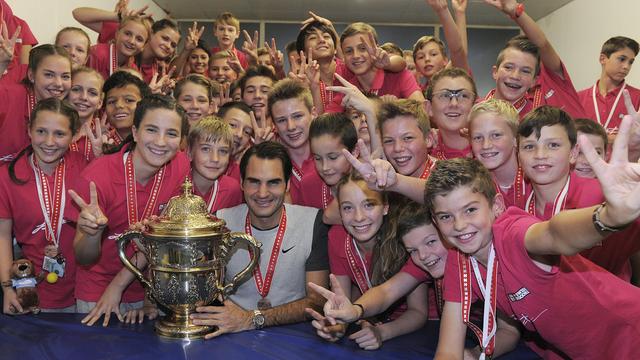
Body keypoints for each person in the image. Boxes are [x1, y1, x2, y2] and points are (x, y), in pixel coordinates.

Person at [430, 119, 640, 358]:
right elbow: (448, 349)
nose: (459, 225)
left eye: (470, 210)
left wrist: (609, 217)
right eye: (446, 216)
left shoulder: (511, 231)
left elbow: (554, 233)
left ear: (496, 207)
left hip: (632, 333)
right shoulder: (459, 261)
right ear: (436, 222)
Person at [68, 95, 190, 325]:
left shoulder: (180, 166)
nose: (161, 142)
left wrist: (132, 290)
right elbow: (84, 258)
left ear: (181, 141)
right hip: (99, 291)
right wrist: (92, 234)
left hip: (151, 291)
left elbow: (161, 240)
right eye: (152, 130)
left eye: (171, 133)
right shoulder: (96, 177)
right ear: (134, 132)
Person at [190, 141, 329, 338]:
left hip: (294, 335)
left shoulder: (313, 222)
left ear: (288, 184)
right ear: (242, 183)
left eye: (273, 182)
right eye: (254, 181)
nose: (262, 193)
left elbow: (317, 301)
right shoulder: (218, 222)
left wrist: (252, 319)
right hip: (231, 333)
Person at [318, 174, 429, 350]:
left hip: (411, 329)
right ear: (339, 211)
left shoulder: (405, 239)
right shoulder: (337, 237)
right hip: (366, 321)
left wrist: (382, 332)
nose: (359, 217)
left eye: (369, 205)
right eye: (348, 208)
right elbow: (344, 301)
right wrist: (338, 324)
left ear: (385, 207)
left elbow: (418, 312)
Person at [0, 98, 86, 314]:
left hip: (84, 292)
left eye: (59, 134)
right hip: (32, 294)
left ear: (73, 135)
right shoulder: (6, 177)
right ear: (29, 130)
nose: (49, 142)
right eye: (41, 131)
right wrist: (7, 288)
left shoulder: (84, 167)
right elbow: (2, 236)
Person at [482, 0, 585, 119]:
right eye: (509, 67)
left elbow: (543, 45)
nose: (515, 76)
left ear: (534, 80)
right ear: (495, 72)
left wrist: (516, 11)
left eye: (525, 71)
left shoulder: (540, 117)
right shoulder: (474, 109)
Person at [325, 22, 423, 113]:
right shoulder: (349, 90)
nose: (356, 55)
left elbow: (423, 112)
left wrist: (394, 106)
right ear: (344, 57)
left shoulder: (400, 76)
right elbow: (324, 124)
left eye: (363, 48)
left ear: (377, 48)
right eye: (349, 51)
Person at [0, 45, 72, 161]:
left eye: (65, 76)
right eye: (49, 75)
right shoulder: (9, 96)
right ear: (31, 76)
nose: (59, 83)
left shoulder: (68, 111)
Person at [468, 98, 528, 208]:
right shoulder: (471, 186)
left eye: (496, 135)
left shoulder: (536, 178)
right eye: (478, 137)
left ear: (516, 139)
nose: (486, 145)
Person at [266, 79, 318, 204]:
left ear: (314, 114)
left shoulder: (332, 158)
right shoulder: (271, 165)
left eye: (297, 116)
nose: (291, 126)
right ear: (274, 125)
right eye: (282, 120)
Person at [578, 36, 640, 135]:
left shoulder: (638, 97)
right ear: (603, 59)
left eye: (630, 62)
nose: (626, 66)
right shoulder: (579, 98)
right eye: (622, 59)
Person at [187, 116, 242, 213]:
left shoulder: (232, 190)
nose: (215, 159)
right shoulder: (177, 185)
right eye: (206, 149)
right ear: (189, 152)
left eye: (223, 151)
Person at [425, 67, 476, 160]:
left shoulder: (494, 151)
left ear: (474, 105)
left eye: (463, 96)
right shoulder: (421, 156)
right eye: (444, 95)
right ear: (429, 108)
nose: (454, 103)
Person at [87, 15, 150, 81]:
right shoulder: (97, 54)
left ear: (144, 46)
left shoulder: (133, 70)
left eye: (139, 39)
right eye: (128, 34)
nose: (132, 41)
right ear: (117, 34)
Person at [101, 70, 151, 146]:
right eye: (112, 102)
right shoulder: (100, 144)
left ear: (144, 104)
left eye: (129, 100)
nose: (119, 105)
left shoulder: (155, 143)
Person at [218, 101, 254, 182]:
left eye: (247, 132)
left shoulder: (243, 175)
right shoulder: (195, 161)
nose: (239, 134)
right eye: (233, 125)